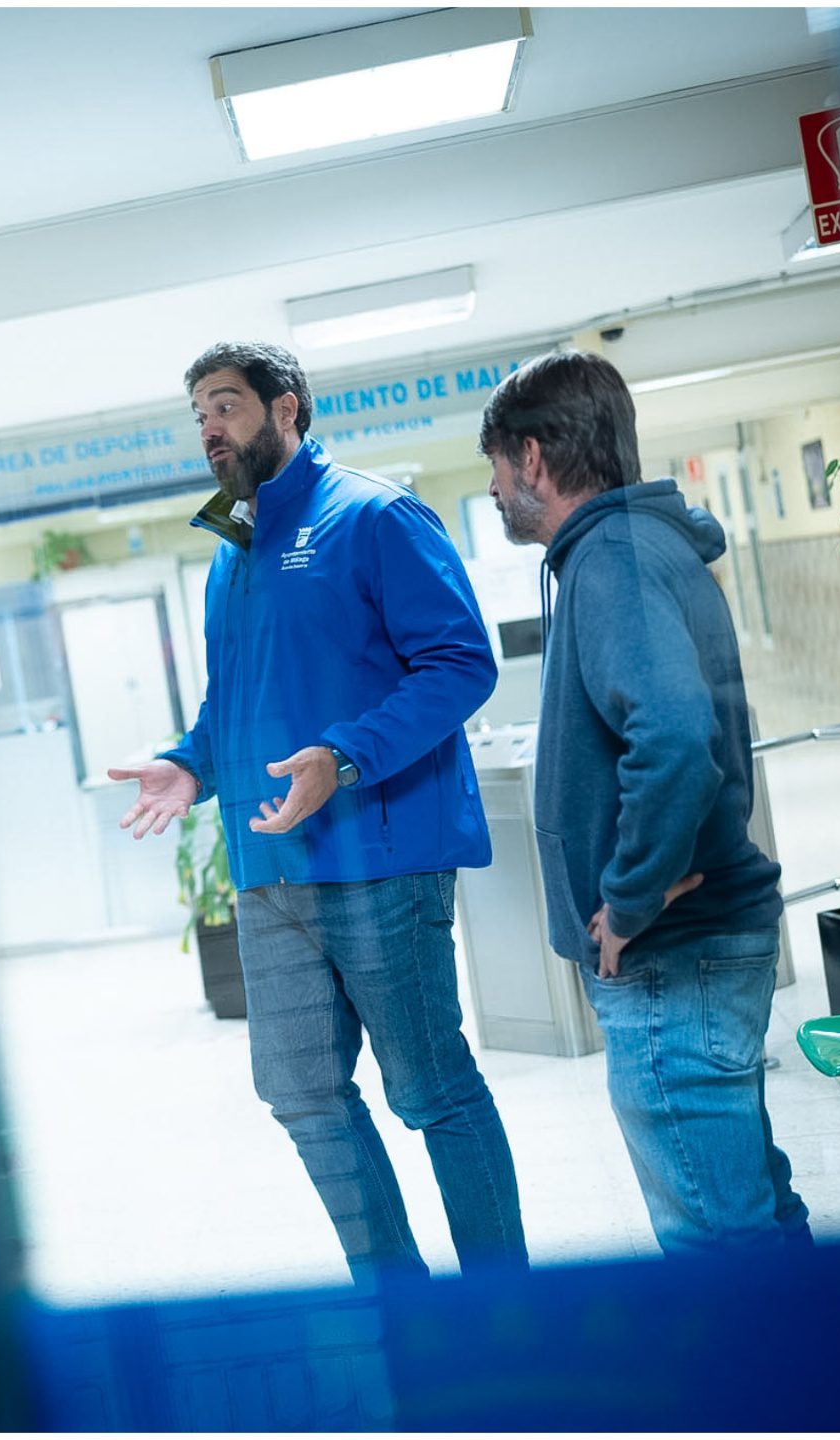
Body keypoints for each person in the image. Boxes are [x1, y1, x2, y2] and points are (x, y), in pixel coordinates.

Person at [109, 341, 527, 1284]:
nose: (209, 429)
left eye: (225, 405)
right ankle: (403, 1306)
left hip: (380, 858)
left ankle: (504, 1309)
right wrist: (189, 765)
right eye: (199, 415)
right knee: (300, 1092)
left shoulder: (375, 516)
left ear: (286, 408)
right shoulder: (233, 548)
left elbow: (462, 664)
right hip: (270, 875)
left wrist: (344, 756)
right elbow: (238, 701)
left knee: (429, 1090)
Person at [481, 351, 808, 1255]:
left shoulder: (612, 562)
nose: (499, 489)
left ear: (534, 458)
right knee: (750, 1206)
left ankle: (770, 1398)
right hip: (695, 949)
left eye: (498, 469)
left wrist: (629, 899)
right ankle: (829, 1387)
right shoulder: (636, 549)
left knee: (716, 1238)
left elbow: (669, 736)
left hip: (673, 954)